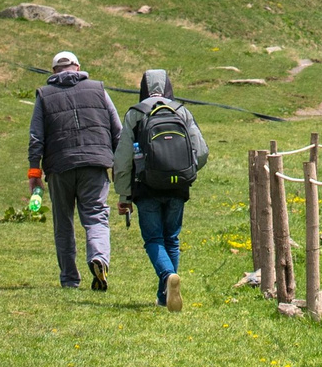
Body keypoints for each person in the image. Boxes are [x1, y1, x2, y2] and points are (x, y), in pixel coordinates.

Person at [112, 69, 209, 310]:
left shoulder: (135, 113)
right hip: (178, 186)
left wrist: (124, 194)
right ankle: (163, 295)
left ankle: (167, 277)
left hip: (146, 187)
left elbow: (123, 159)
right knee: (172, 239)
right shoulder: (181, 111)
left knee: (154, 238)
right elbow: (203, 151)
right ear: (168, 87)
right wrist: (187, 171)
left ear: (143, 88)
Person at [26, 50, 117, 291]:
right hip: (95, 165)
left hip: (60, 167)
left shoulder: (44, 95)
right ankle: (99, 258)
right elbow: (117, 129)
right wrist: (119, 165)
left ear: (54, 71)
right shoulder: (98, 89)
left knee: (63, 223)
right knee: (96, 216)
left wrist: (34, 173)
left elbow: (36, 137)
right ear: (77, 67)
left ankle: (69, 278)